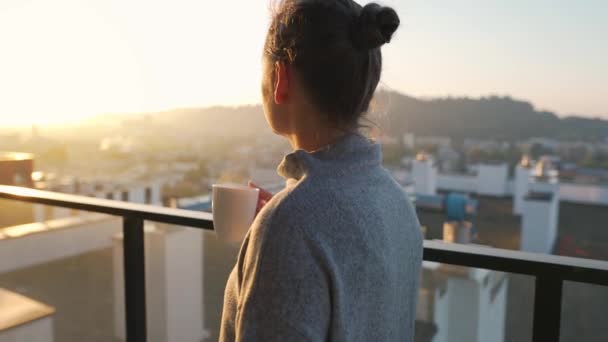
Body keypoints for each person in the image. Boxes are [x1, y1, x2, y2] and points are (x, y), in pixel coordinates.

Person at [220, 0, 423, 341]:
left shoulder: (293, 225)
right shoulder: (398, 204)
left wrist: (282, 226)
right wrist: (280, 221)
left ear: (280, 78)